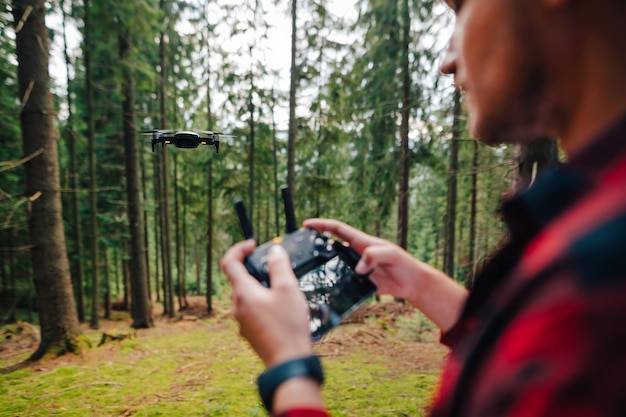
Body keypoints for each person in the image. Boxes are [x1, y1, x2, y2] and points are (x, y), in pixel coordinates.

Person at [220, 0, 626, 415]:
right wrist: (418, 284)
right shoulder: (595, 228)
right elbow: (521, 359)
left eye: (460, 10)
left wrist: (289, 369)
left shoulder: (599, 275)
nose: (447, 61)